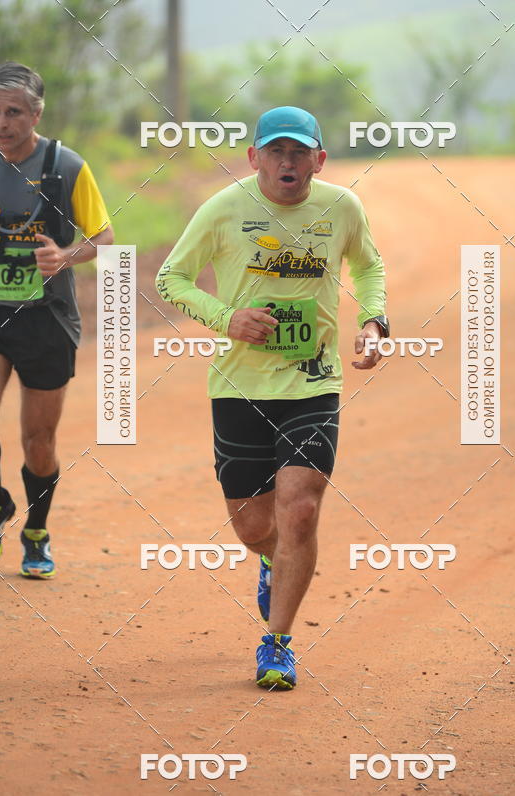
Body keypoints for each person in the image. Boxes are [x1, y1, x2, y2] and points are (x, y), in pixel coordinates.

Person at [156, 106, 388, 689]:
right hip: (239, 384)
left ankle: (277, 642)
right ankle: (268, 560)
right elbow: (170, 279)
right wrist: (226, 317)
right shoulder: (224, 209)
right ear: (255, 157)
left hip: (313, 380)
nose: (289, 162)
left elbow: (369, 266)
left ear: (319, 159)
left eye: (300, 152)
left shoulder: (341, 208)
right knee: (253, 525)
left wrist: (375, 321)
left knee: (301, 510)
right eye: (277, 151)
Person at [0, 62, 113, 577]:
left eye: (13, 112)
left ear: (36, 113)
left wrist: (64, 256)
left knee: (37, 442)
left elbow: (105, 240)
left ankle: (36, 530)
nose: (1, 122)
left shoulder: (67, 166)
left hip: (46, 318)